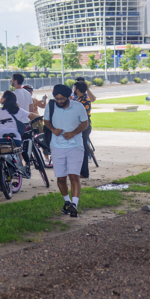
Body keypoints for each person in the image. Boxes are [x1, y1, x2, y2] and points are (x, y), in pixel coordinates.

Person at [43, 84, 90, 217]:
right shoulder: (51, 105)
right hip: (56, 146)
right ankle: (67, 202)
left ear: (69, 97)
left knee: (74, 176)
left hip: (75, 145)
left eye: (62, 99)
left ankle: (74, 204)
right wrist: (53, 129)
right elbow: (46, 121)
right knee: (61, 178)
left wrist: (74, 132)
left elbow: (84, 123)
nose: (59, 101)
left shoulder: (78, 107)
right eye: (57, 98)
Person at [72, 80, 94, 179]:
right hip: (84, 126)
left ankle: (84, 172)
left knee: (83, 149)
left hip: (83, 127)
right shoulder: (82, 98)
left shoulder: (82, 101)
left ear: (77, 89)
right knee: (82, 148)